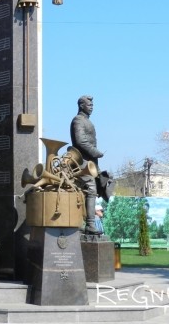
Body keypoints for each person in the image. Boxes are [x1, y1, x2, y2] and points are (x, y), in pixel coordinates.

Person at [70, 95, 104, 235]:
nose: (91, 107)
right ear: (81, 106)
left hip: (89, 163)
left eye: (92, 105)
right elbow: (81, 141)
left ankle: (84, 223)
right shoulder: (78, 120)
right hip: (81, 163)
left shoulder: (87, 121)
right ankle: (90, 224)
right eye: (89, 105)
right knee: (91, 189)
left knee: (92, 189)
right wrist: (96, 152)